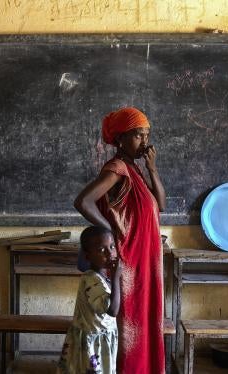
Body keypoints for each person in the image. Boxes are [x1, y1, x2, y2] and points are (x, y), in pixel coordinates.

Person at [74, 107, 166, 374]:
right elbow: (83, 201)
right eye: (138, 135)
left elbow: (160, 204)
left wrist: (152, 169)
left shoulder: (135, 170)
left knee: (145, 319)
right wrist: (112, 233)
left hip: (145, 260)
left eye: (147, 135)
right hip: (129, 262)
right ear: (121, 139)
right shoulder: (117, 169)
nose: (145, 142)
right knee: (130, 325)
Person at [57, 226, 122, 374]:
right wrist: (117, 278)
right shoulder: (92, 279)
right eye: (101, 250)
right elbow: (113, 310)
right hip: (93, 343)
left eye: (112, 247)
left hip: (100, 337)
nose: (109, 253)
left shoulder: (101, 277)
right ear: (87, 256)